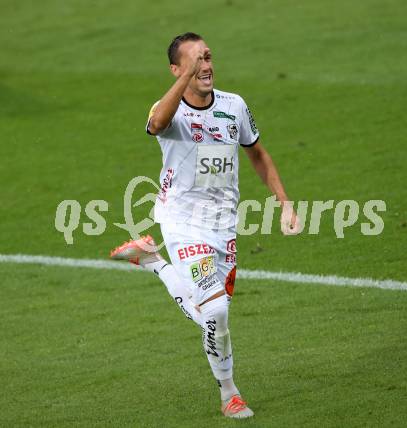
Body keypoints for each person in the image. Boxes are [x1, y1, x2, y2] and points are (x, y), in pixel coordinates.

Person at [110, 32, 300, 419]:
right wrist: (184, 80)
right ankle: (230, 395)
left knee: (214, 311)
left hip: (223, 226)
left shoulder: (234, 105)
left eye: (208, 57)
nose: (206, 66)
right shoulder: (169, 110)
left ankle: (151, 261)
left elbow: (258, 155)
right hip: (181, 222)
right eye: (196, 60)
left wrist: (285, 204)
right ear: (176, 70)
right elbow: (157, 123)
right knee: (216, 312)